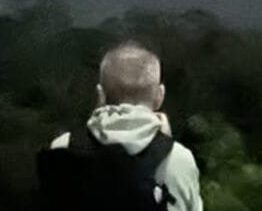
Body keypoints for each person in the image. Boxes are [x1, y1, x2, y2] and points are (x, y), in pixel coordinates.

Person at [38, 41, 203, 211]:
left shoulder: (62, 148)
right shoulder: (179, 159)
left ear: (100, 95)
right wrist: (164, 144)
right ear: (160, 96)